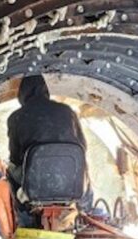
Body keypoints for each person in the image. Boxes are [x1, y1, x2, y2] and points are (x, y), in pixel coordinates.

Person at [6, 75, 88, 206]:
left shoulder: (15, 117)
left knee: (10, 170)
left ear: (22, 93)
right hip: (69, 176)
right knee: (83, 164)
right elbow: (83, 146)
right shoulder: (67, 111)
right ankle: (86, 207)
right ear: (45, 90)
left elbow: (15, 157)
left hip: (36, 180)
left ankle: (24, 216)